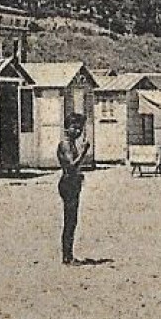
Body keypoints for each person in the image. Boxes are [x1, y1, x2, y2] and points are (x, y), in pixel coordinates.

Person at [57, 113, 92, 265]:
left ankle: (68, 255)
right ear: (67, 127)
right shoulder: (65, 144)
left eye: (80, 128)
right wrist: (84, 152)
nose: (78, 131)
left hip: (72, 182)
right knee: (69, 221)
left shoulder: (70, 143)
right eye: (75, 128)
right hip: (68, 183)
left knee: (72, 221)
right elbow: (71, 165)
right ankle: (67, 257)